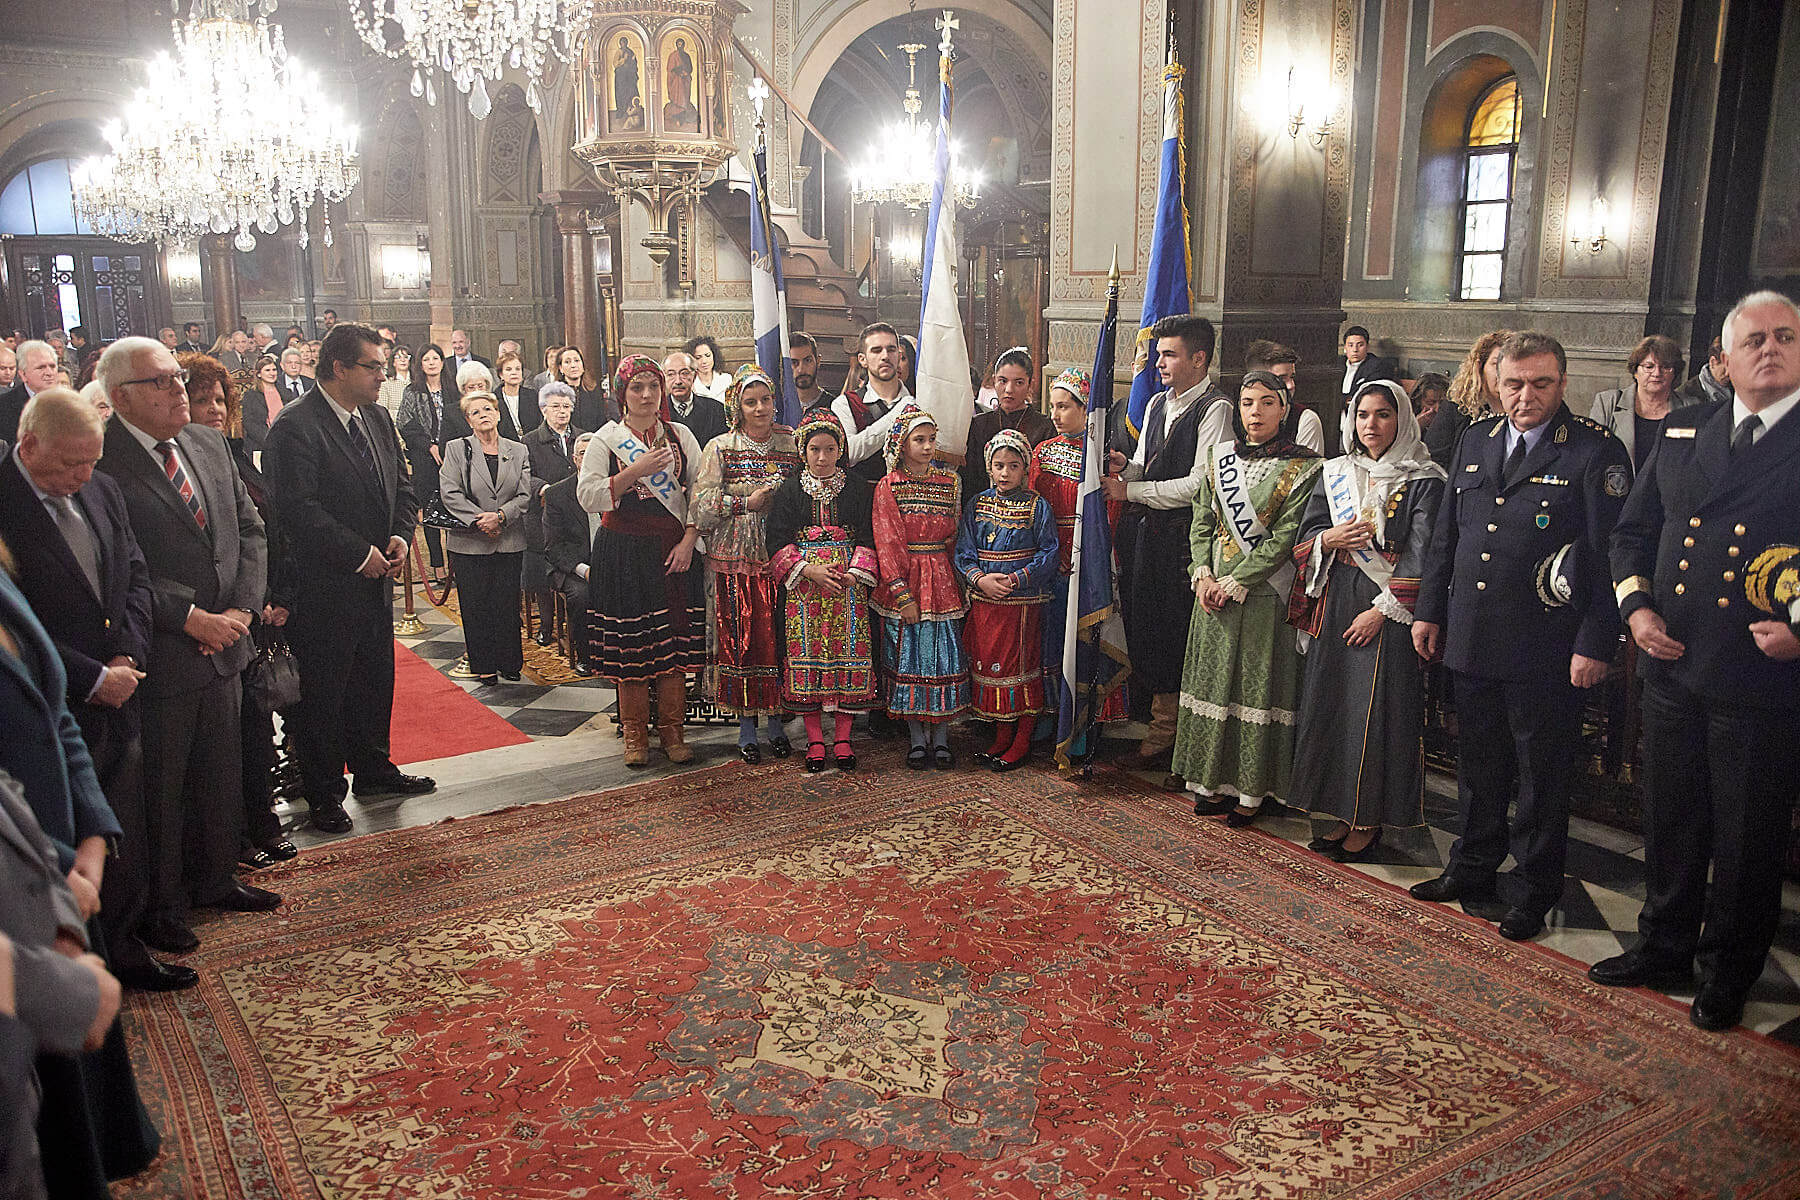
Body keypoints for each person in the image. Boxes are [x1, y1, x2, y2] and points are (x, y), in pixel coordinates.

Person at [1594, 290, 1800, 1032]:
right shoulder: (1686, 430)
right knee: (1672, 817)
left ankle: (1728, 972)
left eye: (1785, 337)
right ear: (1725, 359)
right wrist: (1636, 609)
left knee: (1746, 835)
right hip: (1672, 660)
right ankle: (1663, 946)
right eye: (1754, 340)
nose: (1769, 349)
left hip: (1759, 673)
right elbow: (1632, 532)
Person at [1411, 331, 1632, 941]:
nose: (1525, 396)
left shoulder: (1594, 451)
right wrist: (1430, 611)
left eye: (1540, 384)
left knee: (1541, 776)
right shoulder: (1476, 438)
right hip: (1473, 634)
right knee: (1478, 765)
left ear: (1562, 384)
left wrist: (1596, 642)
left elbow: (1608, 557)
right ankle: (1472, 865)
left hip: (1547, 646)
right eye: (1513, 384)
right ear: (1496, 383)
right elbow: (1448, 537)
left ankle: (1535, 889)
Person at [2, 388, 198, 995]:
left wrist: (127, 656)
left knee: (122, 826)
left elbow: (134, 576)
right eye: (70, 464)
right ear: (28, 445)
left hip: (121, 686)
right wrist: (91, 677)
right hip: (47, 706)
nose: (83, 476)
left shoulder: (102, 488)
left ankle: (127, 945)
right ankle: (79, 957)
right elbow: (16, 626)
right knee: (65, 837)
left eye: (92, 461)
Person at [95, 337, 282, 958]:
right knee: (163, 789)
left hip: (227, 640)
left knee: (219, 774)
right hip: (164, 650)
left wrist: (242, 610)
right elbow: (121, 563)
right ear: (121, 397)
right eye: (161, 382)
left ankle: (216, 879)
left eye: (178, 377)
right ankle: (164, 906)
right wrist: (190, 617)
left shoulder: (207, 443)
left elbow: (249, 530)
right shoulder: (103, 459)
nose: (179, 389)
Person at [264, 324, 434, 836]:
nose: (383, 375)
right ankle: (323, 792)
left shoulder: (376, 416)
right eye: (373, 366)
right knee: (324, 693)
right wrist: (359, 554)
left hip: (376, 581)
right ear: (339, 368)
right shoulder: (296, 426)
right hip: (324, 587)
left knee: (373, 680)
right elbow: (297, 510)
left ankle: (373, 770)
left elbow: (401, 485)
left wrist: (400, 534)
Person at [1288, 380, 1446, 859]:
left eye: (1382, 414)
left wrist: (1382, 612)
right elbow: (1307, 534)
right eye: (1362, 415)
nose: (1371, 425)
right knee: (1333, 706)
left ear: (1402, 419)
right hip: (1336, 596)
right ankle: (1339, 810)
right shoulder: (1336, 471)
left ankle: (1369, 817)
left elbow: (1424, 554)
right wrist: (1329, 539)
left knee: (1373, 713)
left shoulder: (1424, 479)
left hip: (1387, 609)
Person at [1173, 372, 1324, 826]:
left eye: (1266, 403)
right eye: (1246, 403)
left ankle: (1254, 791)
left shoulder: (1305, 467)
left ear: (1284, 409)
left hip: (1262, 597)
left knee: (1254, 689)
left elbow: (1285, 537)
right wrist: (1203, 575)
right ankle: (1212, 783)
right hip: (1211, 595)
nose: (1255, 412)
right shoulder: (1219, 459)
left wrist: (1237, 580)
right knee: (1215, 685)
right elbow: (1202, 520)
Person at [179, 357, 298, 873]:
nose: (212, 409)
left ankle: (262, 823)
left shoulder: (233, 458)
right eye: (200, 399)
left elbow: (262, 532)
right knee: (219, 746)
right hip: (195, 627)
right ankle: (231, 840)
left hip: (249, 618)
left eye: (219, 400)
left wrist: (259, 602)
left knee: (255, 731)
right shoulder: (172, 464)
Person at [1102, 314, 1232, 776]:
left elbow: (1201, 484)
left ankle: (1175, 736)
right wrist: (1125, 468)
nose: (1158, 362)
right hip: (1148, 535)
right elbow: (1145, 465)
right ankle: (1158, 724)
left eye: (1169, 354)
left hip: (1186, 541)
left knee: (1176, 633)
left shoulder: (1216, 409)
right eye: (1158, 354)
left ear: (1199, 359)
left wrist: (1131, 491)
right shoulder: (1158, 402)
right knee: (1149, 627)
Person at [576, 354, 705, 768]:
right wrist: (635, 470)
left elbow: (701, 492)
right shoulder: (606, 439)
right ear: (622, 394)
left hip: (672, 551)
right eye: (637, 387)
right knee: (632, 647)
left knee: (674, 645)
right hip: (624, 553)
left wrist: (689, 541)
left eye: (653, 386)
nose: (647, 395)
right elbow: (588, 495)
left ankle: (672, 731)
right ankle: (635, 733)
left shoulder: (681, 435)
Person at [694, 364, 801, 762]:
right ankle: (746, 728)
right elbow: (701, 505)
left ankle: (776, 723)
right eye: (750, 402)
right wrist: (744, 503)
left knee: (776, 639)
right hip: (734, 558)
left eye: (766, 400)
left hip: (781, 555)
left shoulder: (791, 443)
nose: (759, 409)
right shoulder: (721, 446)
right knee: (741, 641)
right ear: (736, 407)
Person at [766, 410, 879, 771]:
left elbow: (869, 534)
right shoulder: (789, 490)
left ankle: (843, 738)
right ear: (803, 451)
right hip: (804, 590)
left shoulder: (858, 488)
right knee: (807, 658)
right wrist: (810, 570)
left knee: (848, 655)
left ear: (840, 449)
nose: (822, 457)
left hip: (847, 587)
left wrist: (854, 574)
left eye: (830, 449)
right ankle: (815, 739)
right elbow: (776, 540)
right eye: (814, 449)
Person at [955, 429, 1059, 772]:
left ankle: (1022, 740)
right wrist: (981, 579)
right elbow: (964, 550)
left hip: (1022, 606)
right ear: (989, 467)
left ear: (1025, 468)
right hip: (987, 603)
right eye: (999, 465)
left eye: (1013, 466)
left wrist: (1015, 580)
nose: (1005, 472)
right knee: (990, 668)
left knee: (1020, 670)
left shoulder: (1037, 506)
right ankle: (1002, 737)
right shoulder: (977, 503)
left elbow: (1049, 553)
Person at [872, 405, 969, 768]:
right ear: (902, 444)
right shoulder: (889, 485)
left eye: (931, 439)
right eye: (919, 440)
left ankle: (941, 738)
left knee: (943, 658)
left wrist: (961, 581)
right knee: (907, 656)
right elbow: (887, 540)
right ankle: (916, 738)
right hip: (907, 578)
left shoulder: (950, 483)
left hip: (942, 581)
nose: (928, 447)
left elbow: (955, 536)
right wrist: (902, 593)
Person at [439, 392, 534, 684]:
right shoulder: (456, 448)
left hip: (508, 538)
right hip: (469, 541)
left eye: (488, 409)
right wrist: (481, 519)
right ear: (468, 420)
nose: (483, 415)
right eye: (476, 412)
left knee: (506, 603)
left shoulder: (518, 450)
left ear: (498, 414)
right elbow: (450, 492)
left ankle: (509, 662)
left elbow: (524, 494)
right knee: (475, 604)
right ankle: (484, 665)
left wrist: (501, 517)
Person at [522, 382, 586, 652]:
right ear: (543, 409)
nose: (562, 411)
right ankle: (546, 625)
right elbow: (524, 476)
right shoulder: (530, 441)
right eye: (556, 406)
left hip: (578, 512)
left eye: (567, 406)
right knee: (543, 568)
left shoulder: (583, 437)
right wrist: (544, 489)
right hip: (543, 514)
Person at [962, 347, 1055, 499]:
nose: (1009, 389)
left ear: (1030, 384)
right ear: (994, 381)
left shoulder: (1044, 427)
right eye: (1003, 381)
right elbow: (970, 480)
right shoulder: (979, 425)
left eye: (1019, 382)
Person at [542, 433, 598, 675]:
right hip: (572, 566)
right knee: (582, 595)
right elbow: (554, 547)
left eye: (595, 452)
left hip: (610, 562)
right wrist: (584, 571)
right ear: (575, 459)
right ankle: (586, 655)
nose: (589, 457)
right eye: (584, 453)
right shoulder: (557, 494)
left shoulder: (617, 487)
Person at [397, 343, 453, 581]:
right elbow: (404, 422)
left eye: (435, 358)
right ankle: (438, 566)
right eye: (426, 359)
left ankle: (455, 563)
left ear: (442, 362)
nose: (431, 363)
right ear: (420, 364)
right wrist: (429, 445)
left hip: (451, 456)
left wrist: (446, 446)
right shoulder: (413, 391)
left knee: (453, 509)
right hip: (424, 458)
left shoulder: (453, 389)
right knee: (431, 512)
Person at [831, 322, 911, 485]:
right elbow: (849, 453)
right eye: (876, 350)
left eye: (891, 350)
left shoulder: (917, 403)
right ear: (862, 359)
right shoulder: (845, 404)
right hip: (862, 496)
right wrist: (900, 413)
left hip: (908, 496)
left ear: (898, 355)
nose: (885, 356)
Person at [1590, 334, 1683, 469]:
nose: (1657, 373)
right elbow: (1591, 456)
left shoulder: (1690, 406)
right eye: (1649, 367)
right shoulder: (1608, 403)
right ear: (1635, 371)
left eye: (1665, 367)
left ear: (1674, 373)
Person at [1424, 329, 1510, 467]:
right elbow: (1433, 461)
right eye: (1496, 364)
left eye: (1511, 365)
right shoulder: (1456, 409)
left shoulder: (1527, 415)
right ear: (1480, 368)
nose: (1504, 372)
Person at [1243, 339, 1326, 453]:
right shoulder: (1237, 419)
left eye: (1292, 377)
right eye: (1281, 379)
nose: (1291, 385)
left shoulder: (1304, 420)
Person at [662, 350, 729, 448]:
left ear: (695, 375)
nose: (678, 381)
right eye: (671, 374)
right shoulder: (657, 412)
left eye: (684, 373)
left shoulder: (716, 409)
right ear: (664, 378)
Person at [0, 339, 61, 443]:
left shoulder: (70, 404)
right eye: (41, 367)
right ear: (23, 375)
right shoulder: (4, 406)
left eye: (52, 366)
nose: (49, 373)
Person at [445, 361, 522, 442]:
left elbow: (512, 438)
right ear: (463, 389)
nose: (477, 391)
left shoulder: (499, 405)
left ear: (487, 386)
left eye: (480, 386)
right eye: (471, 387)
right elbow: (446, 446)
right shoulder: (451, 412)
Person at [1336, 325, 1398, 410]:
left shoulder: (1377, 366)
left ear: (1367, 347)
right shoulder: (1337, 364)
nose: (1355, 350)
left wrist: (1340, 400)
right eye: (1350, 345)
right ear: (1345, 348)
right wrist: (1345, 400)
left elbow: (1363, 397)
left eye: (1360, 345)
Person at [556, 345, 613, 431]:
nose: (573, 365)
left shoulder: (594, 391)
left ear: (583, 365)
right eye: (567, 362)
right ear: (560, 368)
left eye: (576, 360)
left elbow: (601, 423)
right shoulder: (556, 393)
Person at [241, 353, 287, 456]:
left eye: (274, 370)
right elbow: (250, 423)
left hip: (286, 441)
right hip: (261, 443)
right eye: (267, 370)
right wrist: (271, 440)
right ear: (259, 374)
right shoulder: (251, 395)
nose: (272, 373)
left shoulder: (285, 392)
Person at [1674, 335, 1732, 407]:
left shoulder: (1736, 389)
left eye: (1733, 370)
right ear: (1713, 362)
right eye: (1725, 369)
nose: (1729, 375)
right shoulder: (1684, 396)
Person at [494, 350, 542, 436]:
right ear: (501, 374)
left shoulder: (533, 395)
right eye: (508, 369)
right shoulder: (494, 398)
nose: (514, 373)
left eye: (518, 369)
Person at [789, 331, 831, 413]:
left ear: (818, 361)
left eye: (808, 360)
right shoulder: (779, 408)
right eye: (794, 362)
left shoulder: (833, 407)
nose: (801, 369)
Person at [685, 334, 727, 400]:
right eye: (698, 358)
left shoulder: (727, 379)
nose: (704, 361)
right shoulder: (689, 384)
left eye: (707, 355)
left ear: (714, 355)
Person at [379, 345, 412, 417]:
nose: (403, 360)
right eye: (398, 357)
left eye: (406, 357)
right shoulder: (386, 383)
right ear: (393, 362)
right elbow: (382, 410)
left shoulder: (416, 382)